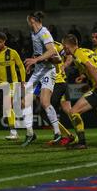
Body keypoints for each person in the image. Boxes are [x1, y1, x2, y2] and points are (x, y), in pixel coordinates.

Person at [62, 34, 97, 149]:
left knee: (74, 111)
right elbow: (95, 68)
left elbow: (91, 67)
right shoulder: (87, 51)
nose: (63, 49)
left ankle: (82, 142)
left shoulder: (78, 54)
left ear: (67, 46)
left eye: (63, 46)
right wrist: (85, 80)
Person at [22, 11, 62, 147]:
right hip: (37, 72)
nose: (27, 23)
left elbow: (52, 51)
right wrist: (32, 64)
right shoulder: (33, 33)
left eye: (28, 20)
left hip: (47, 71)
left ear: (32, 20)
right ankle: (30, 133)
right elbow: (38, 52)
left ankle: (57, 133)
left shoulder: (44, 32)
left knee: (45, 102)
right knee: (24, 102)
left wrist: (36, 60)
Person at [0, 32, 26, 140]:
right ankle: (15, 131)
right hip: (1, 84)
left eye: (0, 42)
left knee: (8, 105)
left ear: (4, 41)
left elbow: (21, 67)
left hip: (12, 83)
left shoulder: (12, 52)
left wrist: (23, 80)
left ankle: (14, 132)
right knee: (8, 107)